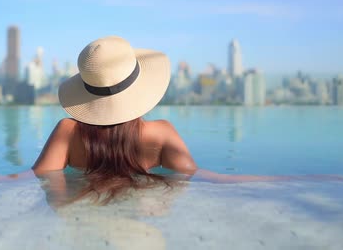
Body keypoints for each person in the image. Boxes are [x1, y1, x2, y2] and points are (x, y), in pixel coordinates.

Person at [32, 36, 295, 203]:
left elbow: (38, 177)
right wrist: (283, 181)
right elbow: (200, 177)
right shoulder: (161, 133)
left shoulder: (67, 130)